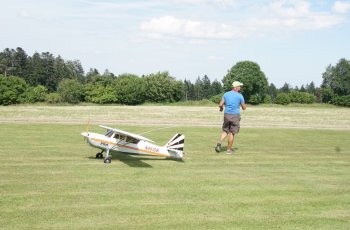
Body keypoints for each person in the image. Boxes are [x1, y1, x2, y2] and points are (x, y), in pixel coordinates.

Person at [215, 81, 247, 154]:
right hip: (235, 115)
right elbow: (244, 108)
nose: (240, 87)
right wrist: (244, 105)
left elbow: (220, 104)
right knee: (232, 132)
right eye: (239, 86)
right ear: (236, 87)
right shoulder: (240, 96)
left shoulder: (226, 94)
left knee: (225, 130)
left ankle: (219, 143)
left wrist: (221, 109)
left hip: (226, 114)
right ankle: (228, 150)